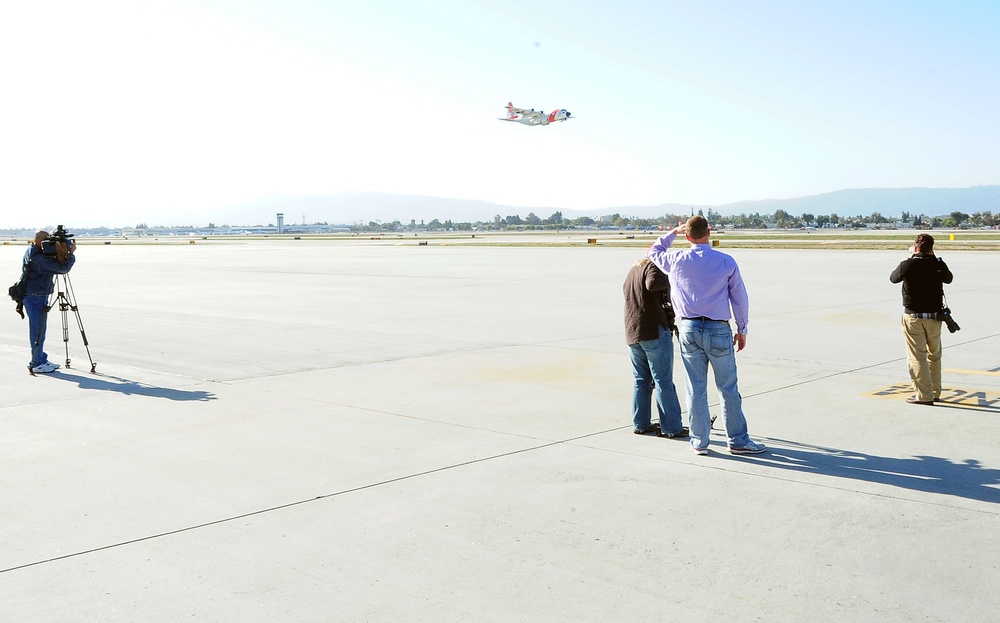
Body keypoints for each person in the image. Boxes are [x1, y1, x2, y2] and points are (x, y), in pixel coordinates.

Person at [647, 216, 766, 455]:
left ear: (688, 235)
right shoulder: (726, 261)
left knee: (695, 387)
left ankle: (699, 441)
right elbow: (740, 299)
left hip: (689, 329)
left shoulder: (676, 259)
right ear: (709, 232)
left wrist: (673, 232)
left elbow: (654, 251)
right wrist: (742, 330)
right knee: (728, 388)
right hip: (718, 329)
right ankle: (738, 440)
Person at [623, 258, 687, 438]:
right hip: (653, 331)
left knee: (641, 380)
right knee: (663, 381)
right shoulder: (654, 266)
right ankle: (672, 427)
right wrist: (671, 277)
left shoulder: (633, 270)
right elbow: (652, 283)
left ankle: (640, 424)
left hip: (633, 332)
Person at [889, 233, 954, 405]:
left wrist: (910, 257)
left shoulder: (907, 265)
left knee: (917, 357)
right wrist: (937, 261)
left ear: (916, 247)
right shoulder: (938, 264)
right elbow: (949, 279)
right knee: (934, 355)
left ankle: (924, 395)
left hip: (913, 317)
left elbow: (893, 278)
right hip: (934, 317)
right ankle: (934, 392)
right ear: (932, 248)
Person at [21, 230, 76, 374]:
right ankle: (36, 363)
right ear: (41, 242)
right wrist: (71, 254)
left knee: (40, 330)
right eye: (49, 241)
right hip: (35, 297)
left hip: (37, 295)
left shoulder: (33, 250)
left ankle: (41, 358)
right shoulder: (39, 259)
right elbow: (63, 269)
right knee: (38, 332)